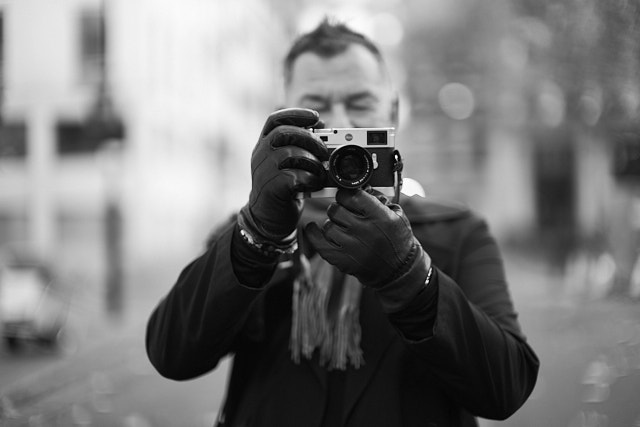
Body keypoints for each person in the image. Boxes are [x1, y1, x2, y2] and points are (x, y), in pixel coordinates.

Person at [145, 18, 539, 427]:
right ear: (281, 120)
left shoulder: (456, 234)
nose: (339, 125)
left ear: (393, 112)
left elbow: (505, 387)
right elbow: (172, 354)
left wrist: (408, 274)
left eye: (359, 103)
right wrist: (258, 235)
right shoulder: (249, 231)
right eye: (314, 106)